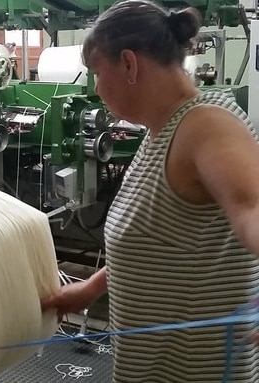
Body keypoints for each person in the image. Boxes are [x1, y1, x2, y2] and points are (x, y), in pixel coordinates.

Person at [41, 1, 259, 381]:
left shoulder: (206, 125)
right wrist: (91, 288)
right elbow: (162, 241)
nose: (94, 87)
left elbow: (253, 209)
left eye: (96, 72)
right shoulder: (161, 130)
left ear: (129, 64)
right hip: (153, 368)